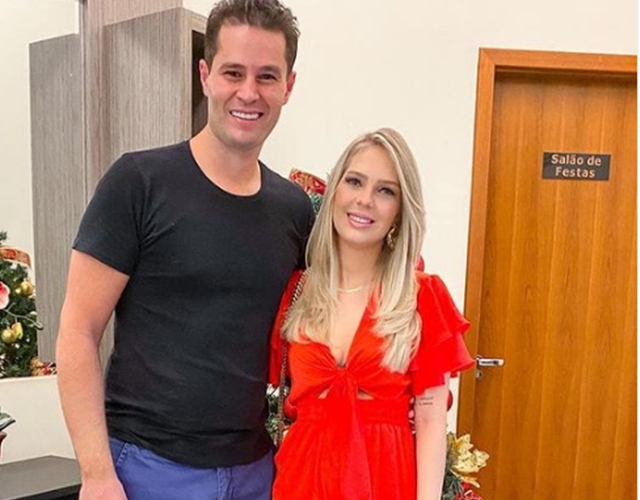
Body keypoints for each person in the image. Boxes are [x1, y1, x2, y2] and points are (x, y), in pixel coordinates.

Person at [55, 1, 314, 499]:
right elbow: (78, 330)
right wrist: (96, 473)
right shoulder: (138, 183)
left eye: (266, 76)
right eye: (233, 72)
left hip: (256, 472)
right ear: (205, 75)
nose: (248, 92)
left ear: (288, 86)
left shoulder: (294, 209)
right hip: (147, 470)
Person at [269, 128, 475, 500]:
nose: (365, 200)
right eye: (355, 181)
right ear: (335, 191)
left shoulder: (421, 297)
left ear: (399, 211)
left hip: (386, 481)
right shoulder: (298, 291)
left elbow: (431, 421)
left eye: (385, 191)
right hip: (301, 482)